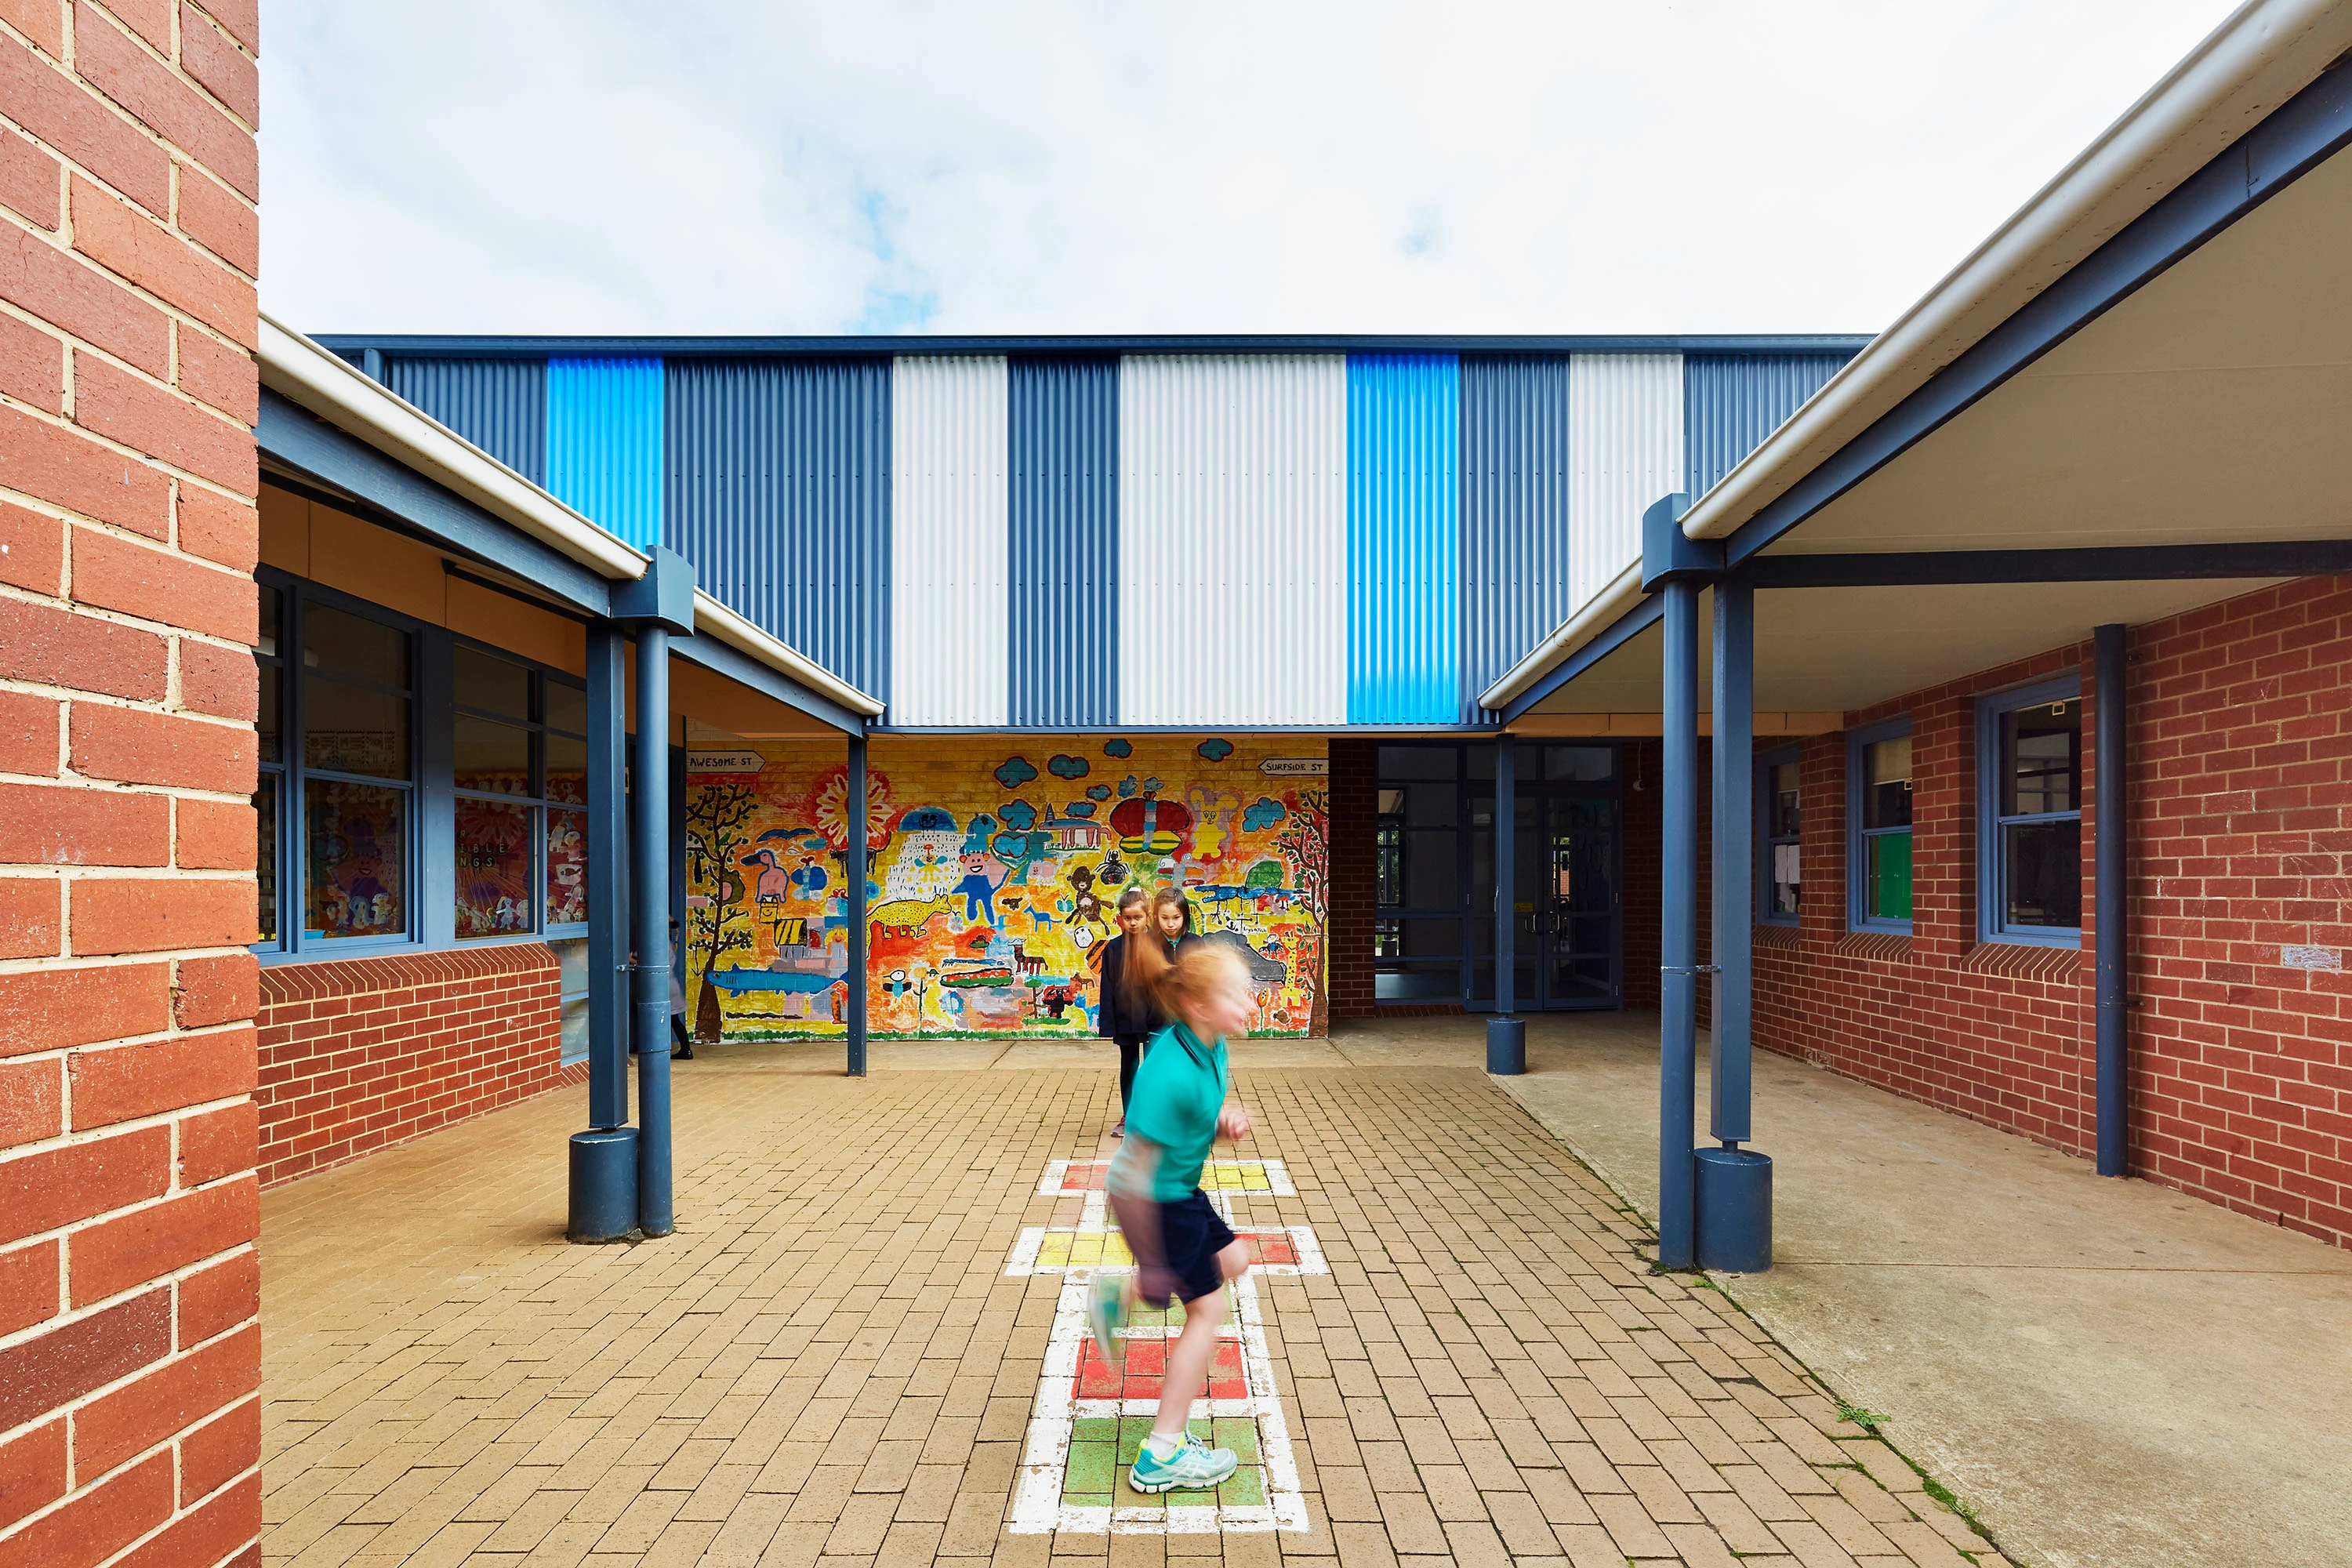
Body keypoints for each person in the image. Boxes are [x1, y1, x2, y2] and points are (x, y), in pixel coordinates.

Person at [1086, 938, 1258, 1496]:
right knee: (1207, 1313)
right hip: (1152, 1201)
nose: (1250, 1001)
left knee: (1235, 1258)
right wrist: (1155, 1259)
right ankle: (1162, 1453)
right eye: (1237, 993)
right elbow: (1131, 1176)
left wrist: (1219, 1125)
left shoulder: (1214, 1046)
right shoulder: (1168, 1070)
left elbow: (1193, 1125)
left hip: (1179, 1190)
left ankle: (1121, 1295)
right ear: (1200, 1008)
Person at [1095, 888, 1155, 1134]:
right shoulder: (1113, 949)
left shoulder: (1157, 945)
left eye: (1137, 918)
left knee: (1154, 1067)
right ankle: (1129, 1116)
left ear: (1147, 916)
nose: (1132, 923)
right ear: (1120, 918)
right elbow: (1107, 987)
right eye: (1127, 918)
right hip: (1126, 1017)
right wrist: (1108, 1025)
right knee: (1128, 1066)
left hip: (1154, 1018)